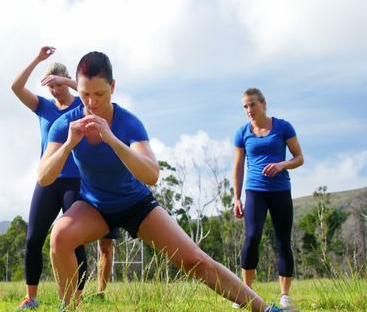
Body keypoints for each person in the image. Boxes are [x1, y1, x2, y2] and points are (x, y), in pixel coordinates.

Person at [38, 51, 288, 312]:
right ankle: (70, 308)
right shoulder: (66, 124)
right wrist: (68, 145)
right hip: (94, 206)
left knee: (195, 261)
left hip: (136, 204)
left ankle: (265, 309)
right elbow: (44, 177)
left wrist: (110, 138)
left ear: (112, 87)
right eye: (85, 94)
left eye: (99, 94)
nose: (92, 102)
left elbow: (151, 174)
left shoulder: (129, 123)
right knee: (60, 237)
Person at [11, 46, 119, 309]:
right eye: (51, 87)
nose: (56, 91)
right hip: (48, 180)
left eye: (58, 85)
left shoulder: (84, 104)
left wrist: (66, 80)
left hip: (76, 180)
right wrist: (37, 59)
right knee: (33, 237)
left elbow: (89, 89)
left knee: (74, 238)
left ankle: (76, 298)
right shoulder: (43, 107)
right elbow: (15, 87)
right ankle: (31, 297)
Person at [232, 88, 304, 310]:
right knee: (252, 237)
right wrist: (236, 198)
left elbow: (299, 158)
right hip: (255, 191)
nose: (249, 110)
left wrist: (282, 165)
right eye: (245, 106)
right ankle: (246, 293)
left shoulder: (283, 127)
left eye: (252, 104)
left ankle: (285, 296)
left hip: (281, 190)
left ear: (263, 104)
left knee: (283, 239)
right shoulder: (242, 132)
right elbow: (238, 167)